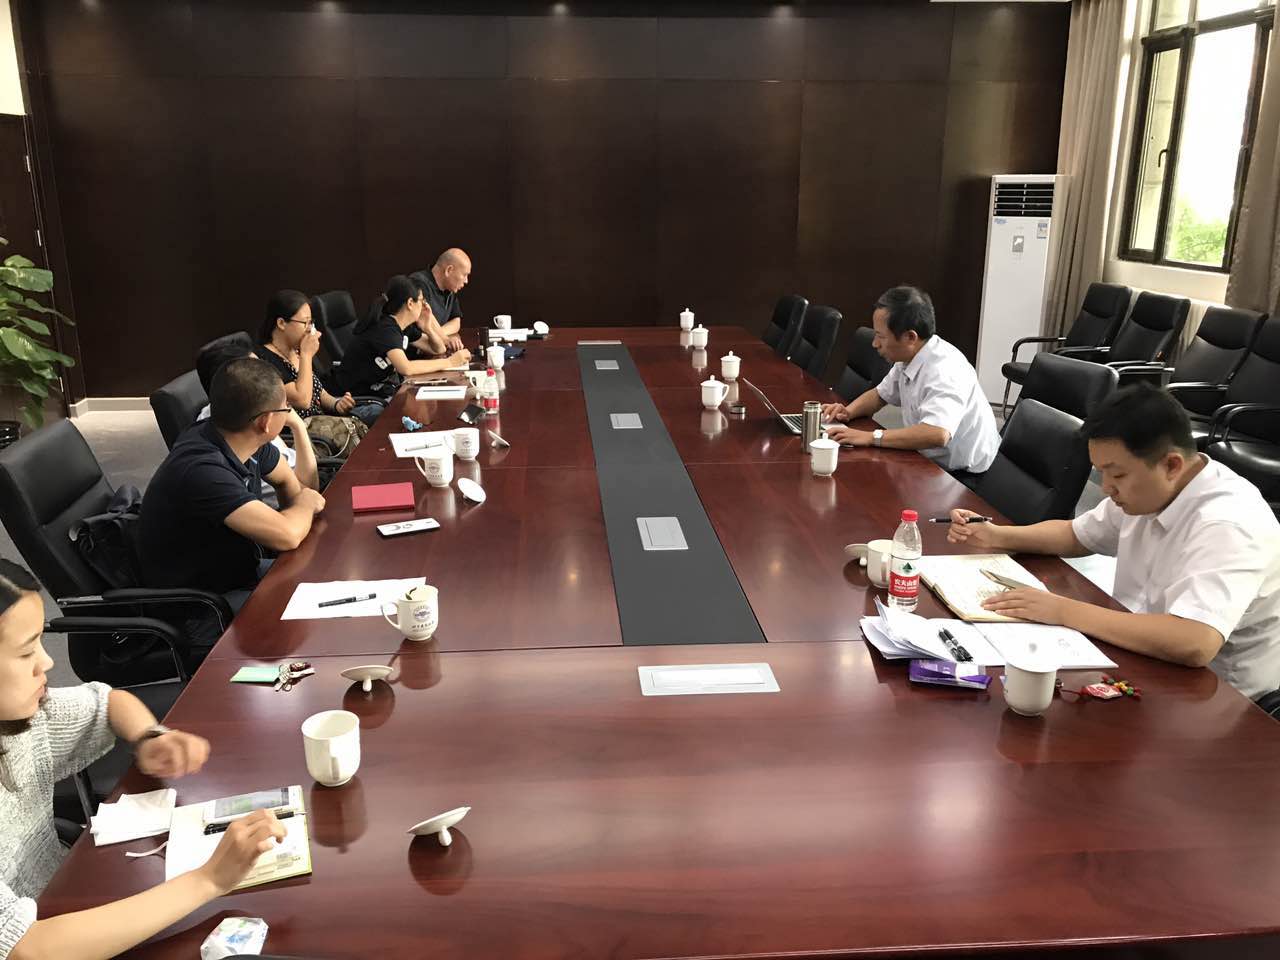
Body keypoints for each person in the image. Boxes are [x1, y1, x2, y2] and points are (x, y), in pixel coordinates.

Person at [0, 559, 287, 960]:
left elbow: (109, 703)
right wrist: (209, 880)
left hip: (62, 901)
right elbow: (27, 950)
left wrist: (149, 737)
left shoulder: (23, 723)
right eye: (27, 651)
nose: (47, 663)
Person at [948, 384, 1280, 700]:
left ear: (1172, 465)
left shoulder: (1228, 522)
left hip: (1221, 697)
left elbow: (1195, 641)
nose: (1106, 487)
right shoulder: (1151, 490)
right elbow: (1076, 535)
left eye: (1117, 474)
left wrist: (1062, 610)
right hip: (1144, 653)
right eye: (1101, 473)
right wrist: (998, 535)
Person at [140, 357, 326, 610]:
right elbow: (288, 535)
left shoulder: (242, 438)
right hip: (201, 605)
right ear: (266, 422)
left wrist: (297, 506)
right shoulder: (203, 470)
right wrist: (303, 505)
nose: (289, 413)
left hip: (237, 573)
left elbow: (287, 483)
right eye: (286, 409)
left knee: (322, 577)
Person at [821, 286, 999, 475]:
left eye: (881, 336)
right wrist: (847, 412)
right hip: (927, 459)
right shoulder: (910, 356)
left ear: (910, 337)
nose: (875, 343)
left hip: (963, 476)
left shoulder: (945, 371)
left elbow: (937, 433)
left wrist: (871, 437)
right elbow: (880, 395)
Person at [195, 340, 318, 499]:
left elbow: (296, 487)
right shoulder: (240, 438)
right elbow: (306, 492)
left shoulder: (242, 415)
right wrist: (297, 425)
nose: (268, 376)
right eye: (258, 372)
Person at [335, 275, 470, 418]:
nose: (424, 306)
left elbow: (438, 349)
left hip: (377, 393)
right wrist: (450, 362)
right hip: (351, 399)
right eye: (422, 301)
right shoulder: (385, 328)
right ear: (410, 303)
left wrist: (428, 327)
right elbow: (406, 368)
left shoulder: (403, 326)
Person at [257, 291, 374, 454]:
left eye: (311, 323)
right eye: (304, 323)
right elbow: (302, 400)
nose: (309, 330)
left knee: (375, 415)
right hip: (303, 439)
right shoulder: (265, 361)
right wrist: (306, 355)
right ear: (281, 323)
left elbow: (317, 390)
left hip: (323, 425)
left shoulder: (296, 350)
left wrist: (336, 404)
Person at [407, 248, 471, 355]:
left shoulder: (450, 288)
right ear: (449, 270)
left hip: (433, 349)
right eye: (464, 275)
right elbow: (426, 317)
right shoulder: (418, 282)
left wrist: (437, 336)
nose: (466, 281)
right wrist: (444, 339)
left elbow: (456, 321)